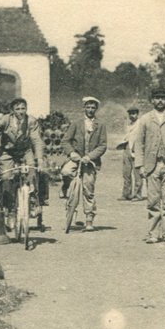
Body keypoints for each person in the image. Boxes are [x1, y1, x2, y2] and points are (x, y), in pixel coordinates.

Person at [132, 87, 165, 244]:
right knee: (153, 201)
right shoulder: (145, 119)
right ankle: (154, 233)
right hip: (152, 166)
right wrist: (140, 165)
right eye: (156, 98)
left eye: (162, 97)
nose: (160, 100)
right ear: (152, 100)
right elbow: (139, 144)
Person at [62, 97, 108, 232]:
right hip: (76, 159)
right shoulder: (76, 123)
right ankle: (65, 188)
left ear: (96, 109)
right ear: (84, 108)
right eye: (88, 107)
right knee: (66, 171)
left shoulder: (101, 125)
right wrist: (72, 153)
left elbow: (103, 145)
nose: (90, 110)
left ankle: (89, 218)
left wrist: (90, 156)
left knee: (88, 189)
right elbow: (65, 141)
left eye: (93, 108)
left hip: (90, 162)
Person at [118, 106, 143, 200]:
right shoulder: (129, 125)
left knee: (137, 174)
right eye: (130, 114)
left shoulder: (140, 124)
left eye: (134, 113)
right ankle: (126, 194)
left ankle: (137, 194)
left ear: (137, 114)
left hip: (137, 150)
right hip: (127, 149)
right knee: (126, 173)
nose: (132, 115)